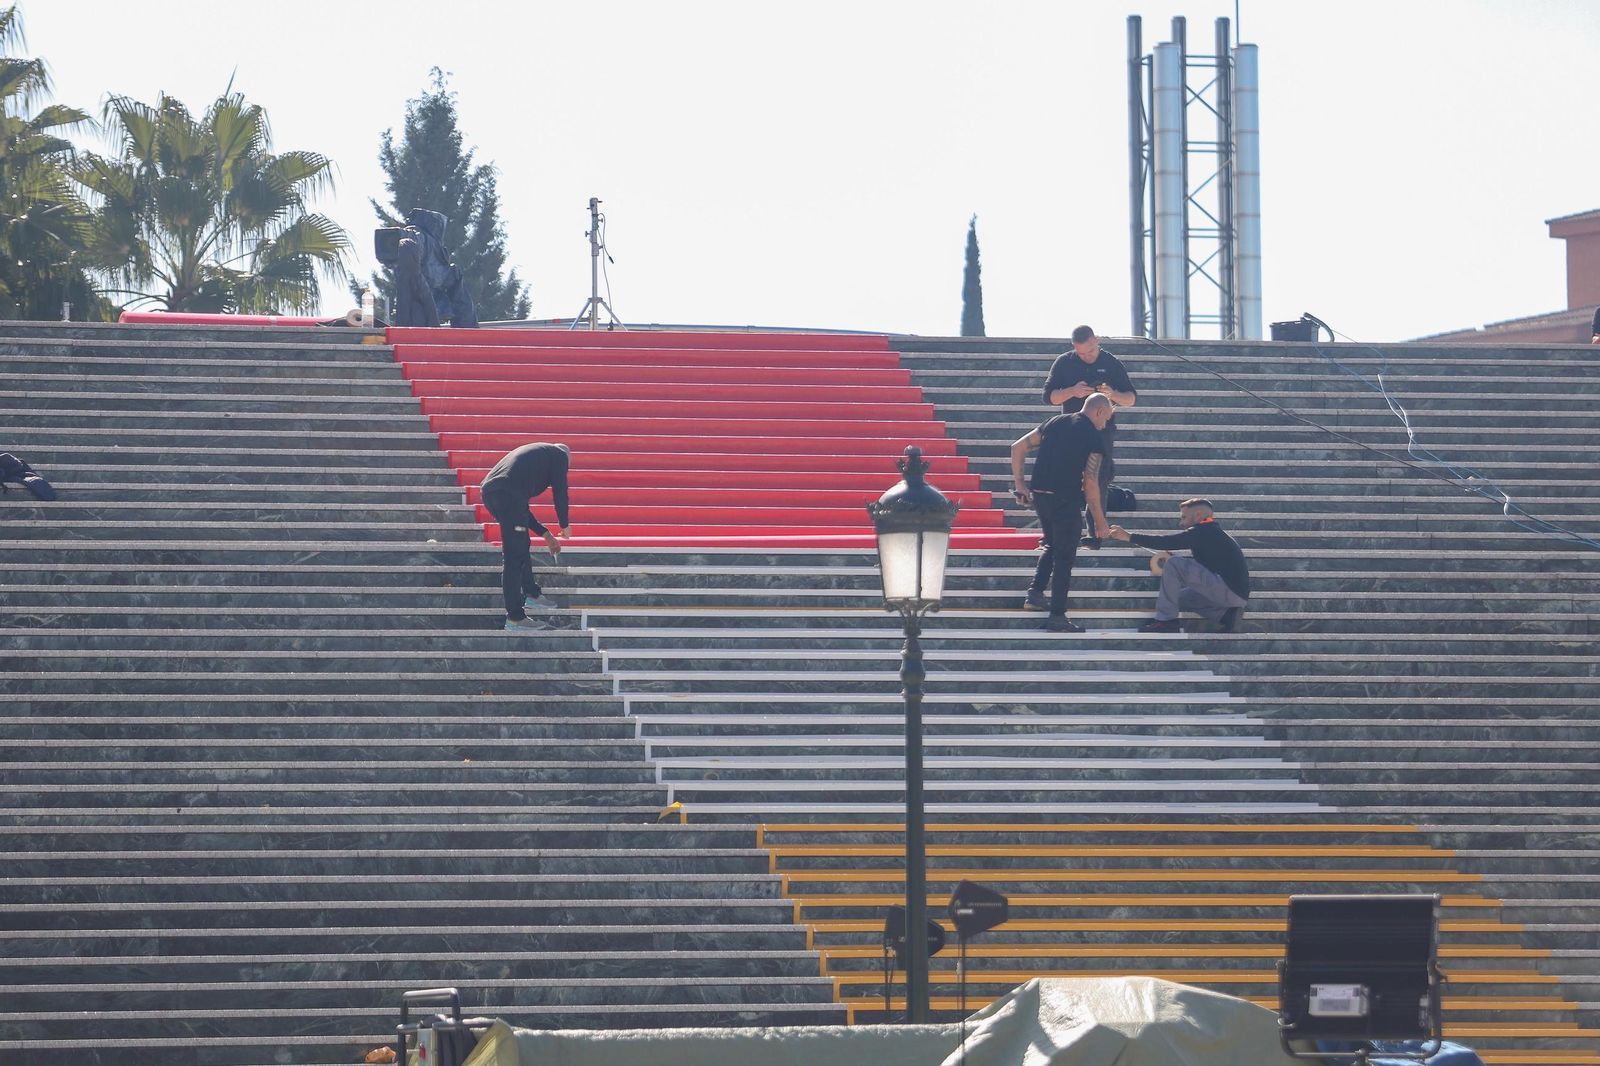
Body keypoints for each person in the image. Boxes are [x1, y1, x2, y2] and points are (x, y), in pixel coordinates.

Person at [1011, 393, 1114, 633]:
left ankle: (1035, 593)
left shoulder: (1055, 422)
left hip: (1040, 495)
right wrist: (1100, 522)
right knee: (1065, 557)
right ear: (1099, 411)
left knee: (1052, 544)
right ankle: (1057, 615)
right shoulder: (1094, 438)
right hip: (1065, 499)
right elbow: (1091, 483)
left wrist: (1020, 484)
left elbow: (1018, 447)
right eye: (1106, 418)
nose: (1105, 425)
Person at [1108, 498, 1250, 633]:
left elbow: (1166, 542)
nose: (1181, 523)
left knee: (1174, 563)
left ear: (1198, 515)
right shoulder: (1212, 532)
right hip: (1234, 594)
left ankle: (1166, 621)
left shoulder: (1204, 531)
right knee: (1180, 597)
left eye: (1184, 517)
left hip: (1228, 590)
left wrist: (1129, 536)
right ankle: (1227, 616)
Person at [480, 442, 571, 631]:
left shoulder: (536, 458)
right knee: (513, 556)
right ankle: (515, 618)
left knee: (520, 543)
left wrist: (545, 533)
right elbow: (560, 491)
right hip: (507, 495)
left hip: (492, 493)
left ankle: (532, 593)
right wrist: (564, 524)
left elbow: (520, 510)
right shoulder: (559, 455)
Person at [1041, 324, 1137, 496]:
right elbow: (1049, 397)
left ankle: (1096, 513)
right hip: (1072, 430)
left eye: (1091, 351)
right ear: (1074, 347)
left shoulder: (1111, 363)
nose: (1087, 357)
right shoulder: (1064, 362)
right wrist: (1072, 391)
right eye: (1081, 354)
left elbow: (1131, 399)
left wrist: (1112, 394)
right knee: (1069, 476)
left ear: (1097, 340)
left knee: (1100, 479)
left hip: (1102, 430)